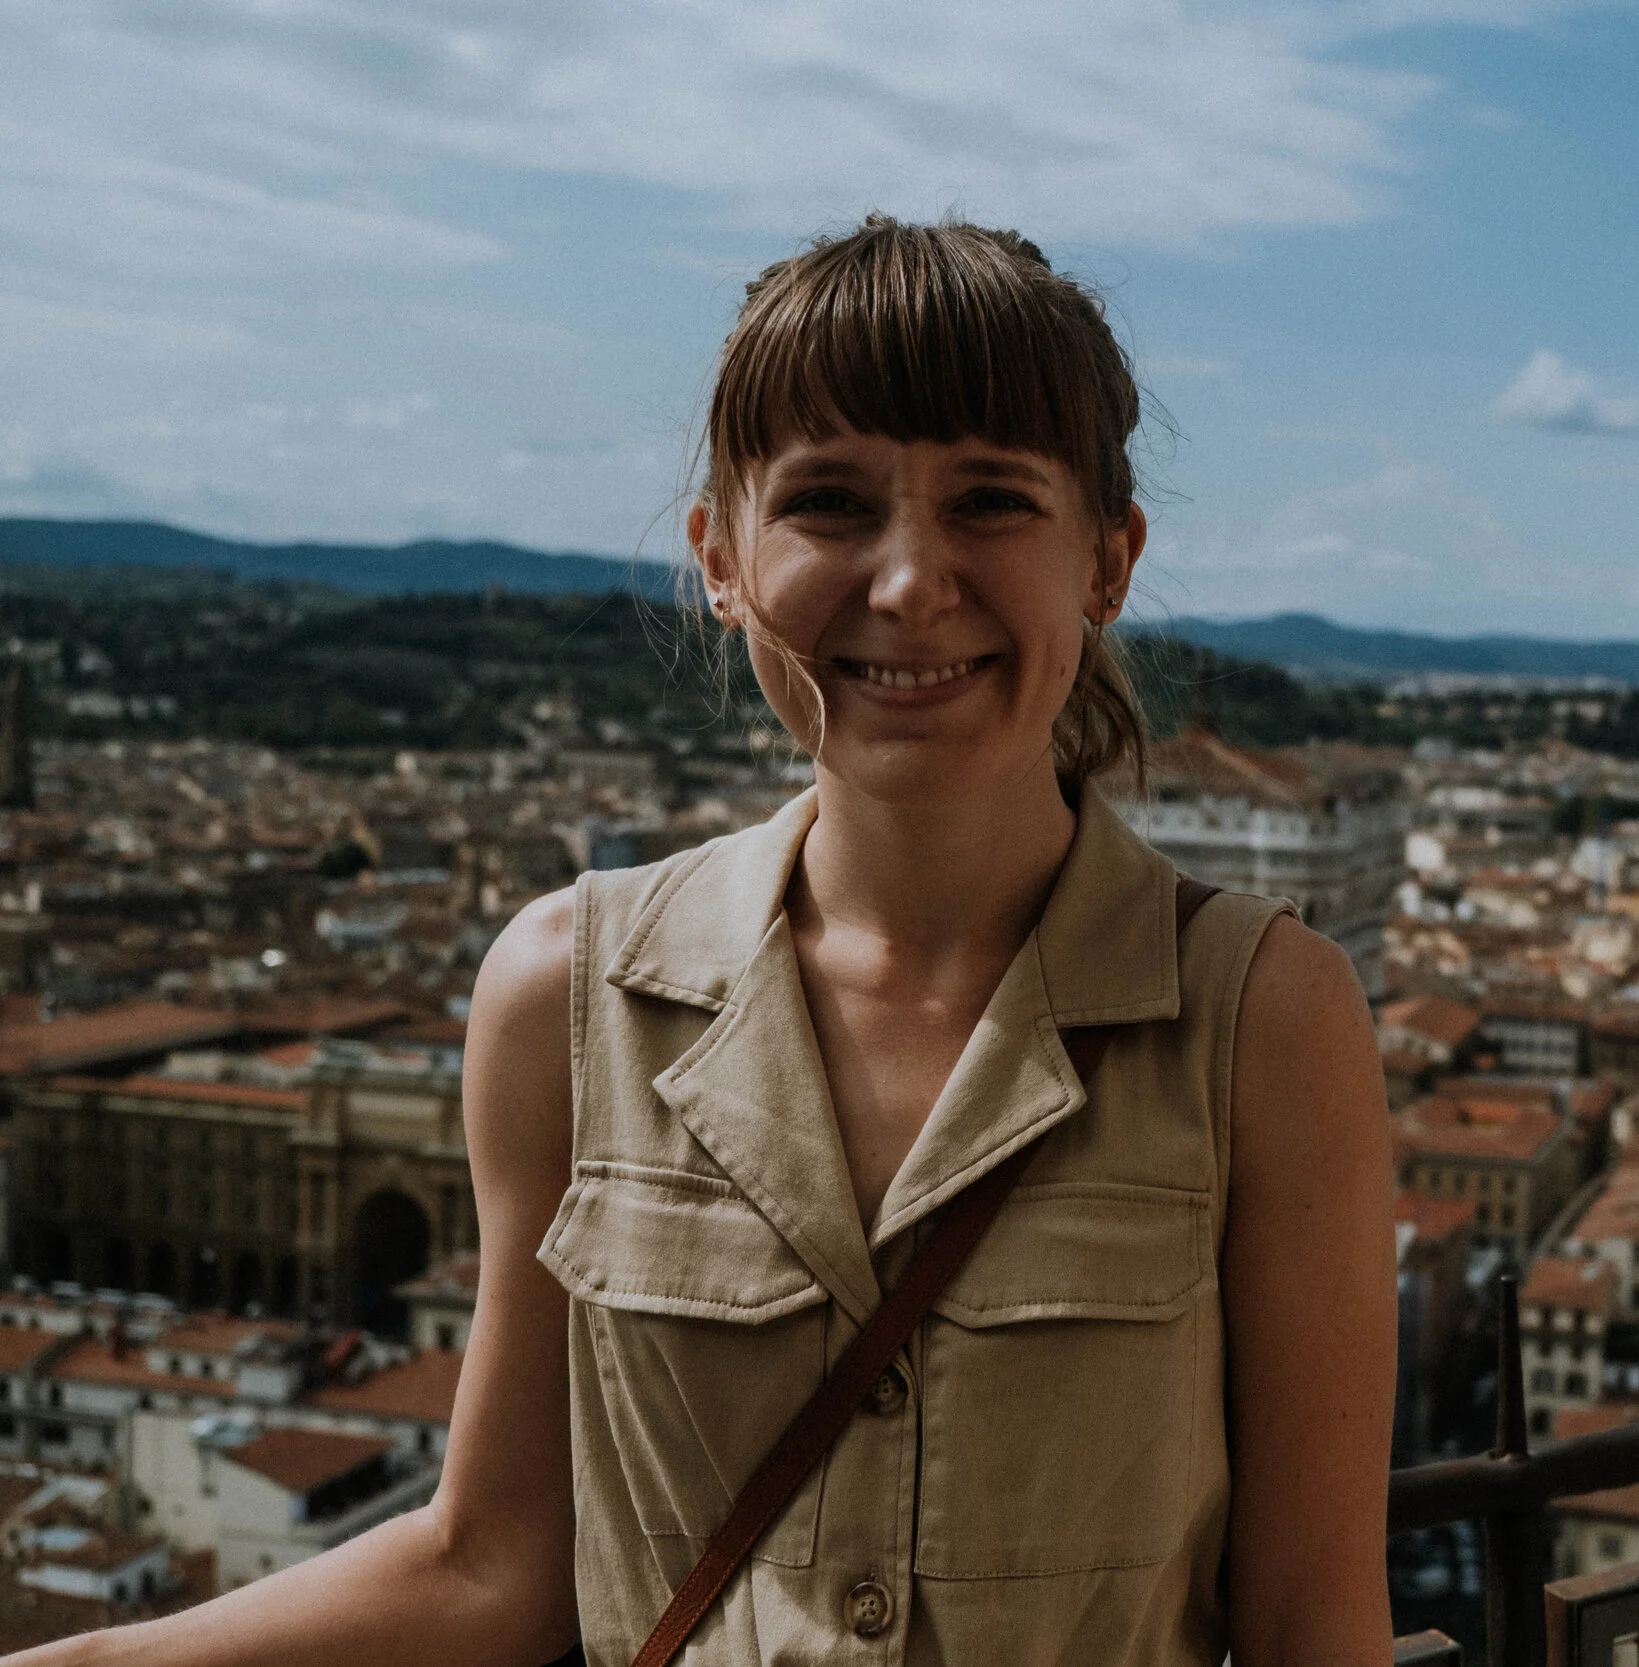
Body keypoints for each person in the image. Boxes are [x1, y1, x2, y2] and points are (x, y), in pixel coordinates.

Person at [33, 218, 1396, 1665]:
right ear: (721, 560)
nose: (909, 582)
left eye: (992, 501)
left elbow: (1313, 1621)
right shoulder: (564, 997)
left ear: (1108, 562)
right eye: (830, 504)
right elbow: (496, 1565)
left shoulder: (1265, 1020)